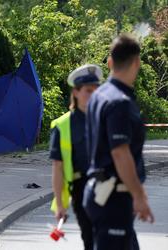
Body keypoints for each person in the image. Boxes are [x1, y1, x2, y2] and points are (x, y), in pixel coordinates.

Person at [83, 34, 154, 250]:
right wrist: (139, 195)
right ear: (137, 62)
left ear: (110, 62)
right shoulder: (120, 103)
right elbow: (120, 153)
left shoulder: (98, 95)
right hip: (114, 198)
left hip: (100, 192)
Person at [50, 64, 103, 250]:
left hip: (108, 184)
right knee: (90, 236)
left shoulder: (106, 120)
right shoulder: (62, 125)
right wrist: (60, 205)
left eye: (96, 90)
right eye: (88, 91)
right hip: (81, 189)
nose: (93, 95)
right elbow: (57, 167)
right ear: (76, 92)